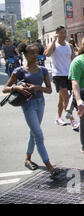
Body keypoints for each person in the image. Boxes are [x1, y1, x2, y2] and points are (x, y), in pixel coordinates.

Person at [2, 43, 61, 179]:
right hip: (27, 105)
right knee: (38, 135)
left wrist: (37, 88)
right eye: (31, 53)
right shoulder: (19, 71)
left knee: (34, 132)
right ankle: (50, 167)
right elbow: (5, 88)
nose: (35, 55)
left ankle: (27, 158)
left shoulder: (43, 70)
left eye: (36, 53)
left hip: (40, 103)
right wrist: (17, 88)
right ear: (25, 55)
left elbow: (49, 89)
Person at [44, 26, 79, 130]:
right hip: (58, 75)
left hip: (68, 74)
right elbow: (48, 54)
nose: (64, 35)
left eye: (65, 32)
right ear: (57, 34)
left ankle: (58, 118)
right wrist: (53, 40)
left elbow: (73, 60)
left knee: (62, 99)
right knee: (66, 98)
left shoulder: (70, 45)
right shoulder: (54, 45)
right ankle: (72, 120)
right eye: (61, 33)